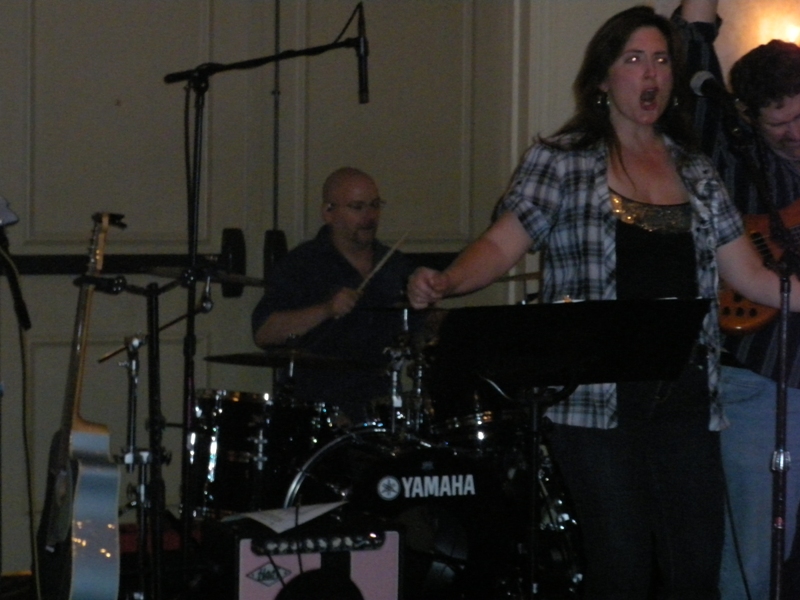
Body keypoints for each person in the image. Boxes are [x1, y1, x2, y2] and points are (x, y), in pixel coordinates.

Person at [406, 6, 800, 598]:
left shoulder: (694, 168)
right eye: (634, 59)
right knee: (622, 569)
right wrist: (448, 280)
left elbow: (754, 277)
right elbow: (502, 243)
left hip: (688, 398)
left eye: (661, 59)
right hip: (597, 404)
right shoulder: (564, 160)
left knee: (694, 569)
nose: (652, 73)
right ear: (603, 77)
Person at [675, 2, 800, 598]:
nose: (795, 133)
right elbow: (691, 51)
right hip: (759, 375)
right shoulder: (732, 154)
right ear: (749, 117)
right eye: (780, 123)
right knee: (756, 546)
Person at [251, 167, 414, 426]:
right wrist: (326, 309)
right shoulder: (302, 264)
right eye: (357, 207)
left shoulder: (394, 265)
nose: (370, 216)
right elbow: (264, 332)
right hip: (317, 409)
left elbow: (417, 331)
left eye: (374, 205)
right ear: (328, 212)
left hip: (381, 406)